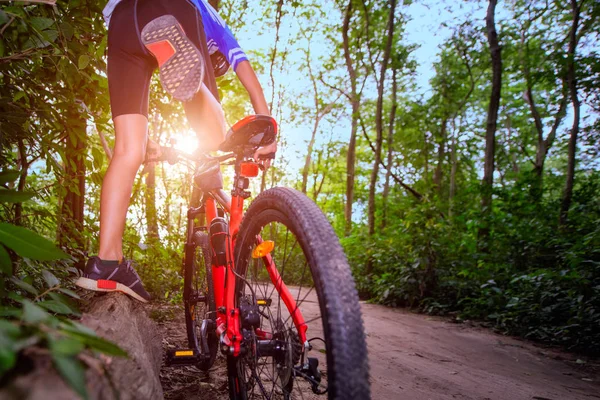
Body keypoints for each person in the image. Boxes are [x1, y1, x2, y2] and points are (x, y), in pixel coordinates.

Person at [75, 0, 276, 302]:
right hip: (173, 8)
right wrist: (268, 131)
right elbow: (247, 74)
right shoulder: (206, 9)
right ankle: (194, 85)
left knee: (129, 149)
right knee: (214, 136)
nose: (216, 65)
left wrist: (156, 147)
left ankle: (107, 263)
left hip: (121, 23)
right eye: (215, 63)